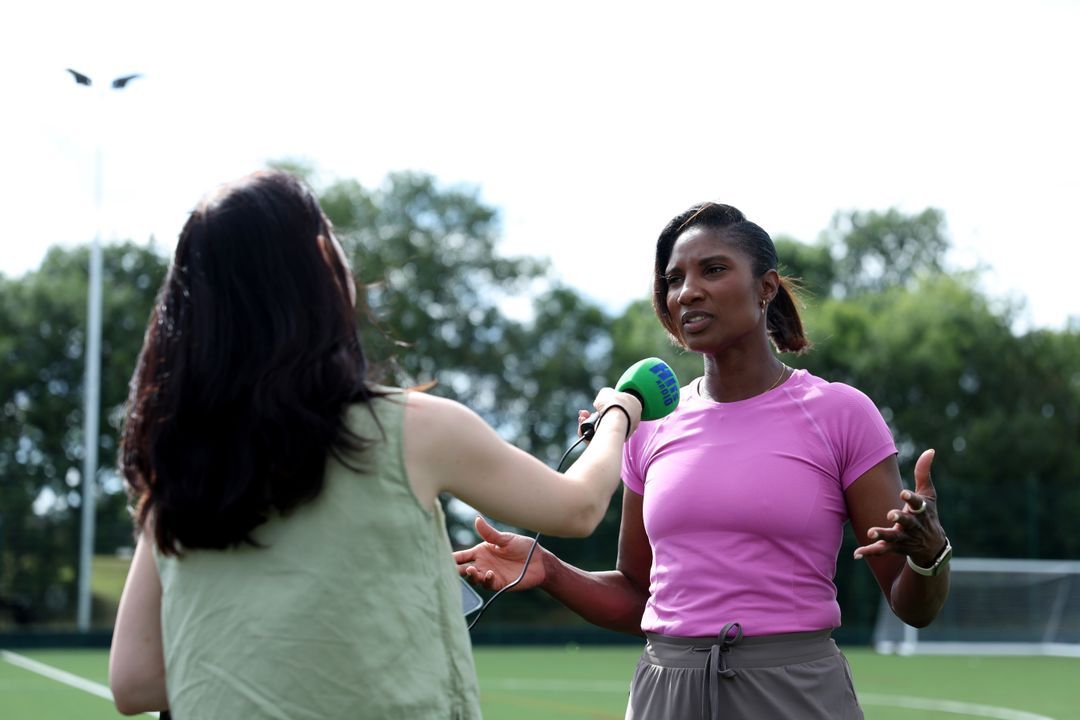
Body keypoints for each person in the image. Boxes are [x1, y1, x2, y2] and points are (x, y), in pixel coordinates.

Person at [107, 169, 643, 718]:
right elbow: (577, 508)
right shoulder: (412, 427)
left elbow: (133, 680)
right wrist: (618, 416)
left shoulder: (176, 464)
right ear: (323, 261)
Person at [454, 202, 952, 719]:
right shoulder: (649, 426)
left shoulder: (841, 413)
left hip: (795, 693)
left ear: (766, 287)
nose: (687, 291)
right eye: (674, 279)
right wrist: (549, 570)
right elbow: (639, 596)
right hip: (664, 695)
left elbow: (912, 606)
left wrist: (930, 554)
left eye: (713, 270)